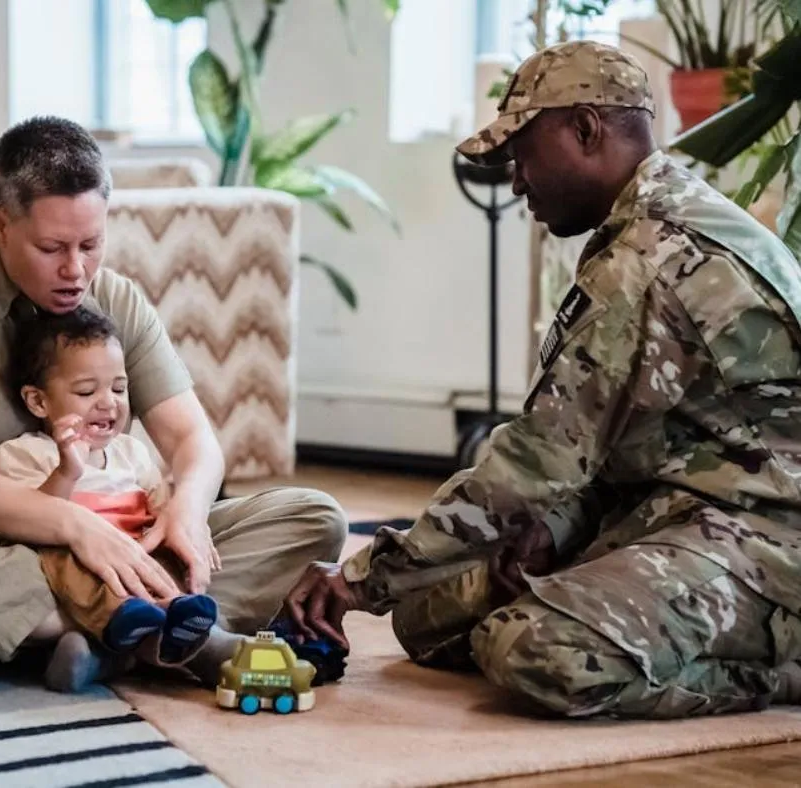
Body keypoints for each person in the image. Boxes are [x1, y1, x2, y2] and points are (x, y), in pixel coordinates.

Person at [284, 40, 801, 720]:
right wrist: (556, 532)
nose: (517, 181)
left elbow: (536, 460)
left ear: (585, 129)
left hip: (767, 538)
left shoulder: (650, 256)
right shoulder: (654, 223)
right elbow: (625, 444)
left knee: (530, 648)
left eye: (521, 155)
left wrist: (359, 579)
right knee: (425, 615)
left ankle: (784, 671)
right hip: (675, 503)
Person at [0, 116, 347, 691]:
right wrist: (74, 528)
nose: (76, 270)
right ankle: (164, 631)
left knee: (315, 518)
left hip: (119, 542)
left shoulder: (114, 297)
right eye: (52, 248)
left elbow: (194, 442)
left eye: (91, 244)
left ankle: (101, 642)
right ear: (0, 224)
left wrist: (186, 510)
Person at [0, 305, 219, 691]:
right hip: (74, 560)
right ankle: (147, 630)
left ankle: (119, 641)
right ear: (38, 402)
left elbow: (158, 507)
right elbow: (32, 522)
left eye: (118, 387)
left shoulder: (133, 452)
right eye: (86, 391)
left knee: (169, 551)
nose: (108, 402)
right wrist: (68, 471)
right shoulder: (23, 453)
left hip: (136, 554)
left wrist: (186, 525)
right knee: (60, 559)